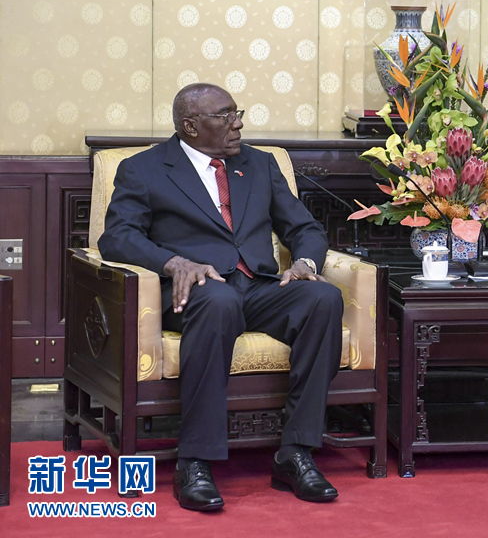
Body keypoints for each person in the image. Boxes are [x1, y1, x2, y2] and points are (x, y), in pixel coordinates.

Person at [98, 83, 344, 511]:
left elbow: (304, 228)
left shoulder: (260, 164)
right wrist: (174, 263)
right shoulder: (144, 169)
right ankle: (194, 462)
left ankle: (295, 452)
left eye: (237, 113)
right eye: (226, 116)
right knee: (218, 300)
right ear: (191, 126)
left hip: (260, 287)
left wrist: (305, 263)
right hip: (195, 293)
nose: (238, 124)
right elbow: (117, 237)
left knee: (323, 299)